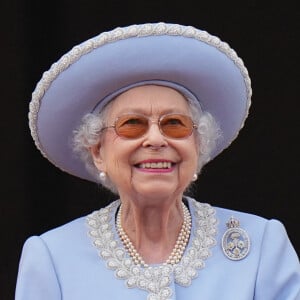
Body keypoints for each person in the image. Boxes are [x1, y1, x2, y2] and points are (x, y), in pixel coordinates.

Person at [16, 22, 300, 300]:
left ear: (198, 145)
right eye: (132, 124)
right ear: (98, 152)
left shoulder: (261, 246)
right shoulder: (52, 258)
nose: (155, 139)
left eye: (174, 124)